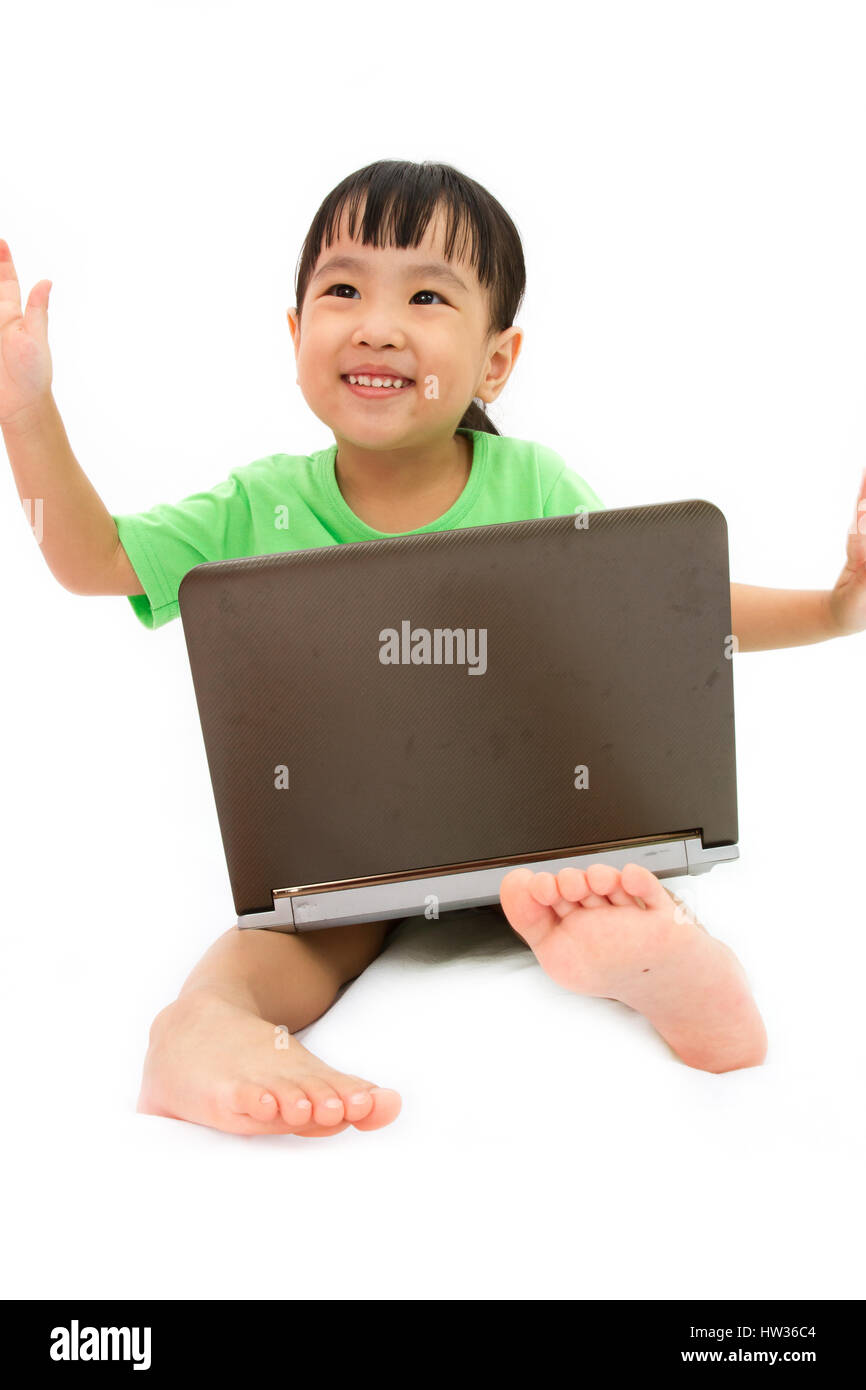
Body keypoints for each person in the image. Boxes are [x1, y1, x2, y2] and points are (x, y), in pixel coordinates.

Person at [3, 160, 864, 1139]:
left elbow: (668, 605)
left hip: (539, 835)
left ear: (494, 361)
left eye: (424, 294)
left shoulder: (532, 484)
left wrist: (835, 610)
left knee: (594, 887)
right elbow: (95, 558)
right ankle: (202, 1024)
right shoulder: (257, 504)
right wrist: (24, 409)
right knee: (277, 940)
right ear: (294, 336)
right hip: (346, 862)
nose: (376, 322)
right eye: (341, 289)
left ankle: (664, 969)